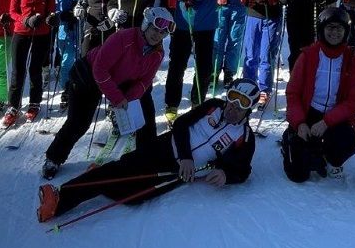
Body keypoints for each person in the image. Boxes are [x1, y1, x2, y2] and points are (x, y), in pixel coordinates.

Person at [37, 78, 258, 223]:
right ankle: (59, 197)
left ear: (249, 109)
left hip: (178, 172)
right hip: (165, 147)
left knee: (132, 197)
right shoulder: (213, 106)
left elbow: (243, 170)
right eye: (231, 98)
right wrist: (186, 157)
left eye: (242, 104)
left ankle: (101, 175)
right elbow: (181, 124)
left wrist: (226, 176)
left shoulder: (244, 137)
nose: (233, 107)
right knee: (124, 169)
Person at [41, 7, 176, 180]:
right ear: (145, 25)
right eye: (154, 29)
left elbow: (144, 82)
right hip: (87, 76)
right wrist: (118, 98)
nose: (157, 35)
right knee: (79, 122)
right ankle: (53, 158)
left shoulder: (157, 53)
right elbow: (100, 69)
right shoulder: (124, 38)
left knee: (146, 115)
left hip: (120, 80)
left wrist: (128, 99)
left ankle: (146, 158)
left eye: (163, 33)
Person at [281, 7, 355, 182]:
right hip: (308, 113)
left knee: (347, 141)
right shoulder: (308, 56)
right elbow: (293, 93)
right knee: (298, 175)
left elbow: (354, 101)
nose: (334, 33)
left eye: (339, 28)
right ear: (322, 29)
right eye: (330, 28)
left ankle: (328, 156)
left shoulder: (352, 60)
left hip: (334, 116)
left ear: (346, 31)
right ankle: (293, 140)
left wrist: (327, 122)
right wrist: (299, 122)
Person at [164, 0, 228, 122]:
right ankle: (172, 103)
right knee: (177, 65)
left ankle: (197, 101)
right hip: (184, 23)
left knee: (204, 67)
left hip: (206, 25)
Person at [6, 0, 57, 125]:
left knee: (35, 70)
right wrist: (25, 20)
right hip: (21, 32)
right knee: (17, 70)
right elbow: (13, 11)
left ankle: (34, 103)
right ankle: (13, 105)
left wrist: (51, 18)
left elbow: (51, 9)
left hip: (41, 33)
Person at [239, 0, 285, 105]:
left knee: (266, 54)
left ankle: (264, 88)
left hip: (271, 17)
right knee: (250, 54)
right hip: (253, 16)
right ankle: (248, 84)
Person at [52, 0, 85, 109]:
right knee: (65, 63)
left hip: (82, 30)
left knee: (82, 62)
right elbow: (53, 11)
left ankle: (81, 88)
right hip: (65, 32)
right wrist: (60, 16)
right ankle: (66, 89)